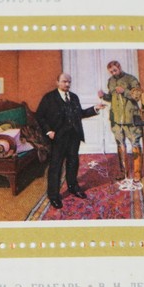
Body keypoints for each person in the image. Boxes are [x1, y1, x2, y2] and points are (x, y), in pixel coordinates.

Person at [36, 72, 104, 209]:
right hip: (58, 137)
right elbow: (39, 116)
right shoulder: (49, 98)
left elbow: (80, 114)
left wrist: (94, 109)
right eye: (64, 81)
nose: (67, 84)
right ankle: (53, 196)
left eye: (69, 82)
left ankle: (73, 187)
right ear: (57, 82)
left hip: (74, 136)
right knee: (56, 166)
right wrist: (48, 131)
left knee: (73, 163)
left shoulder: (74, 97)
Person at [97, 60, 143, 181]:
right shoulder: (110, 81)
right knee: (120, 145)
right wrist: (103, 96)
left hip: (130, 119)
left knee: (135, 144)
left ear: (119, 67)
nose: (113, 73)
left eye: (115, 70)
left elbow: (138, 96)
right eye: (111, 72)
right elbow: (112, 98)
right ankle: (124, 173)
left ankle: (137, 174)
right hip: (116, 120)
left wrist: (124, 91)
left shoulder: (131, 79)